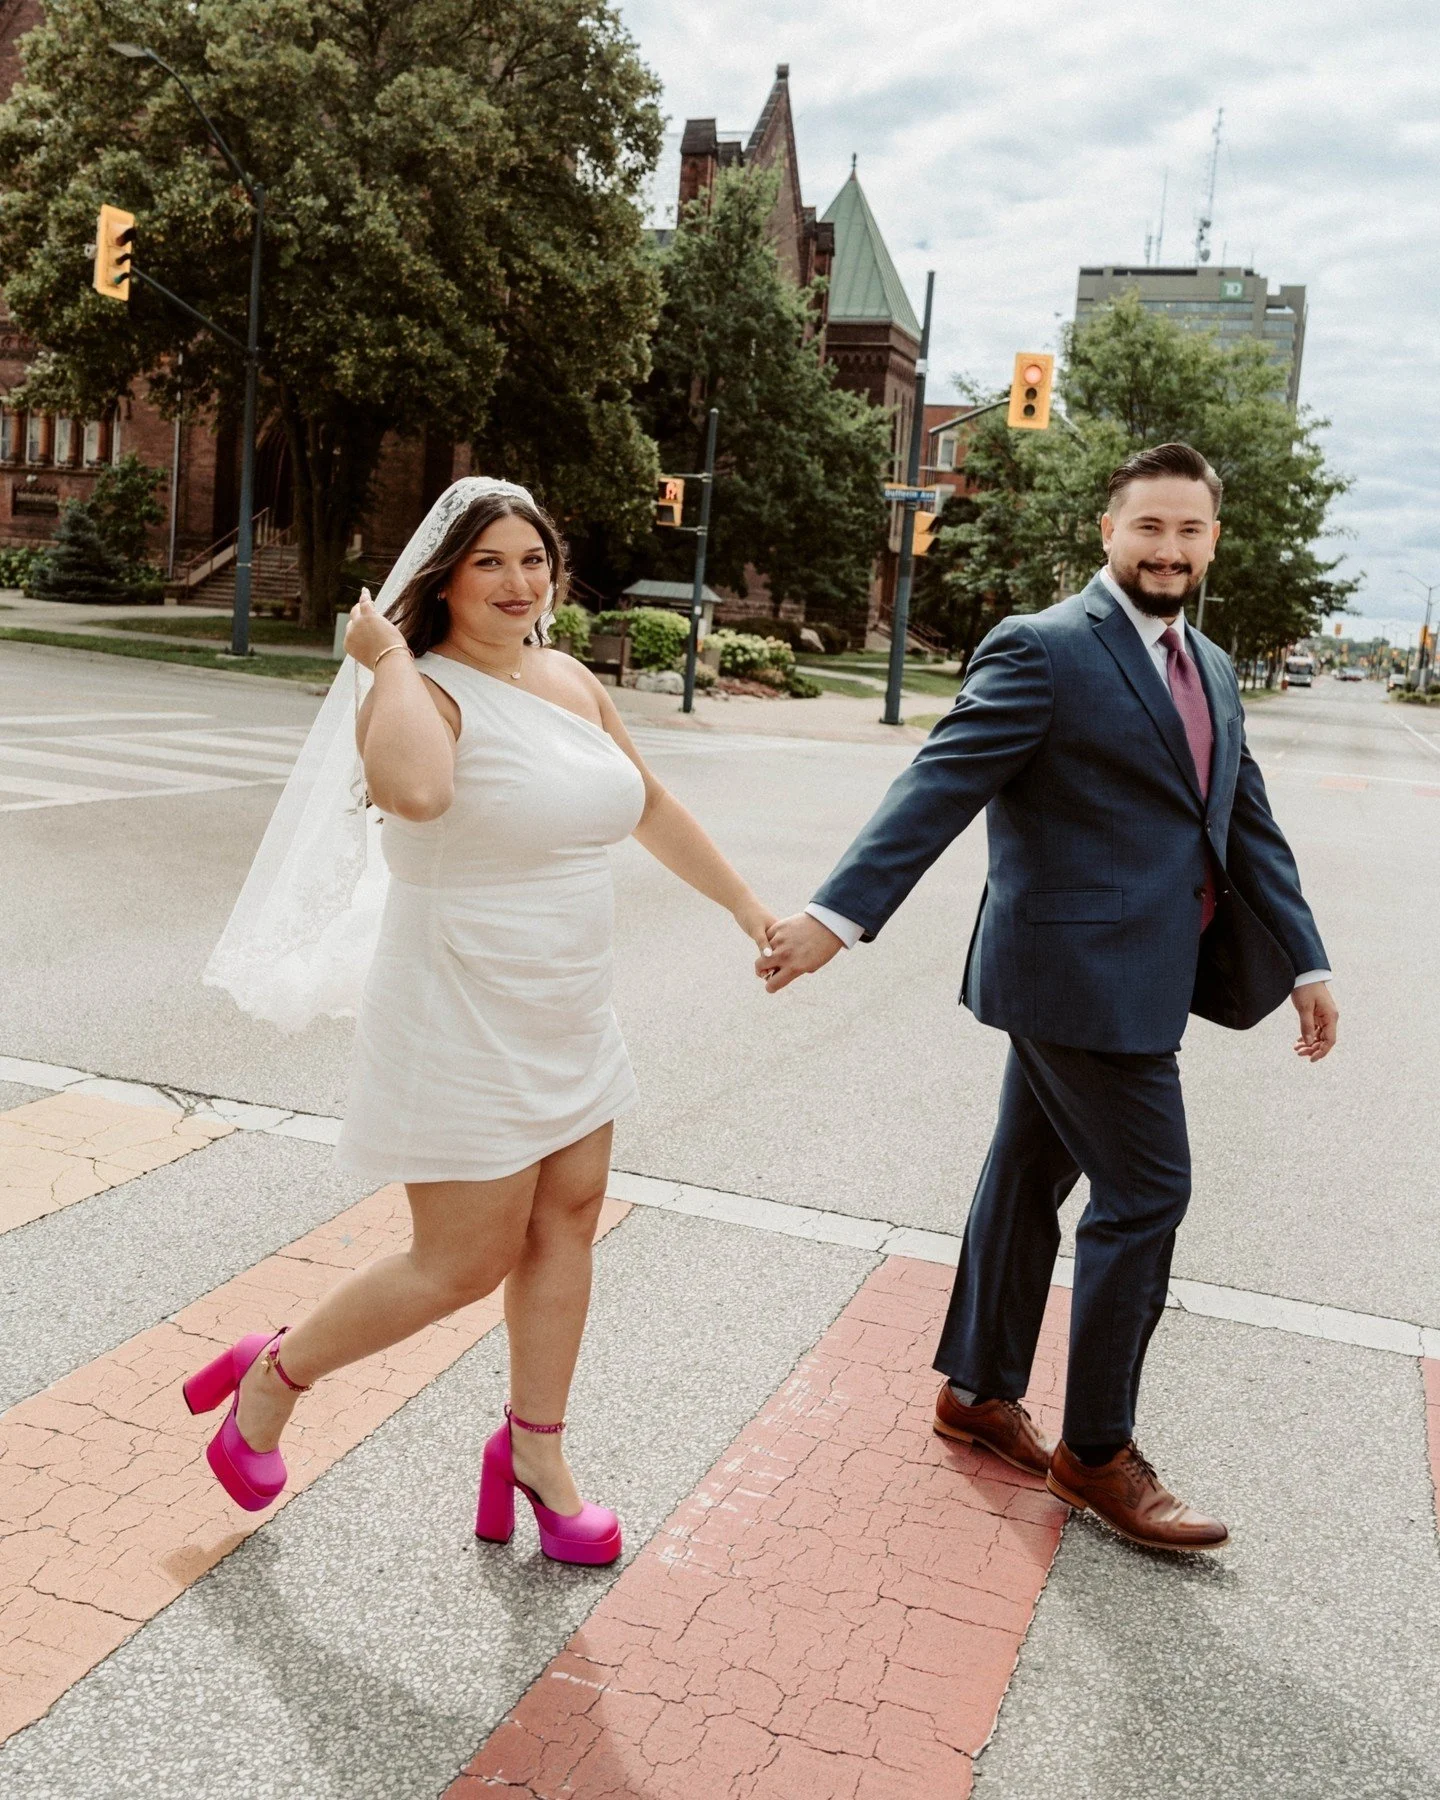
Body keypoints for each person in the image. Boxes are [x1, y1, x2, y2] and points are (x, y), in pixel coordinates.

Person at [758, 443, 1337, 1553]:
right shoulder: (1044, 647)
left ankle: (977, 1390)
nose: (1168, 548)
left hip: (1142, 977)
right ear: (1108, 531)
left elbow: (1245, 825)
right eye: (1148, 526)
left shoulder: (1212, 667)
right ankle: (1097, 1451)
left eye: (1189, 530)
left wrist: (1306, 962)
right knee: (1149, 1193)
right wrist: (836, 919)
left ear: (1214, 542)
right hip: (1071, 978)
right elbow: (939, 782)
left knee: (1029, 1172)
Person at [191, 479, 774, 1564]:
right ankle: (273, 1375)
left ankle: (536, 1454)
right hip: (457, 1002)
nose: (518, 582)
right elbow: (414, 796)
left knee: (568, 1222)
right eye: (489, 562)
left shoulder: (569, 678)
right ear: (445, 579)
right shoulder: (420, 689)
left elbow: (646, 803)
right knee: (459, 1261)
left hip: (570, 999)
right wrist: (387, 659)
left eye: (533, 559)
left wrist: (748, 910)